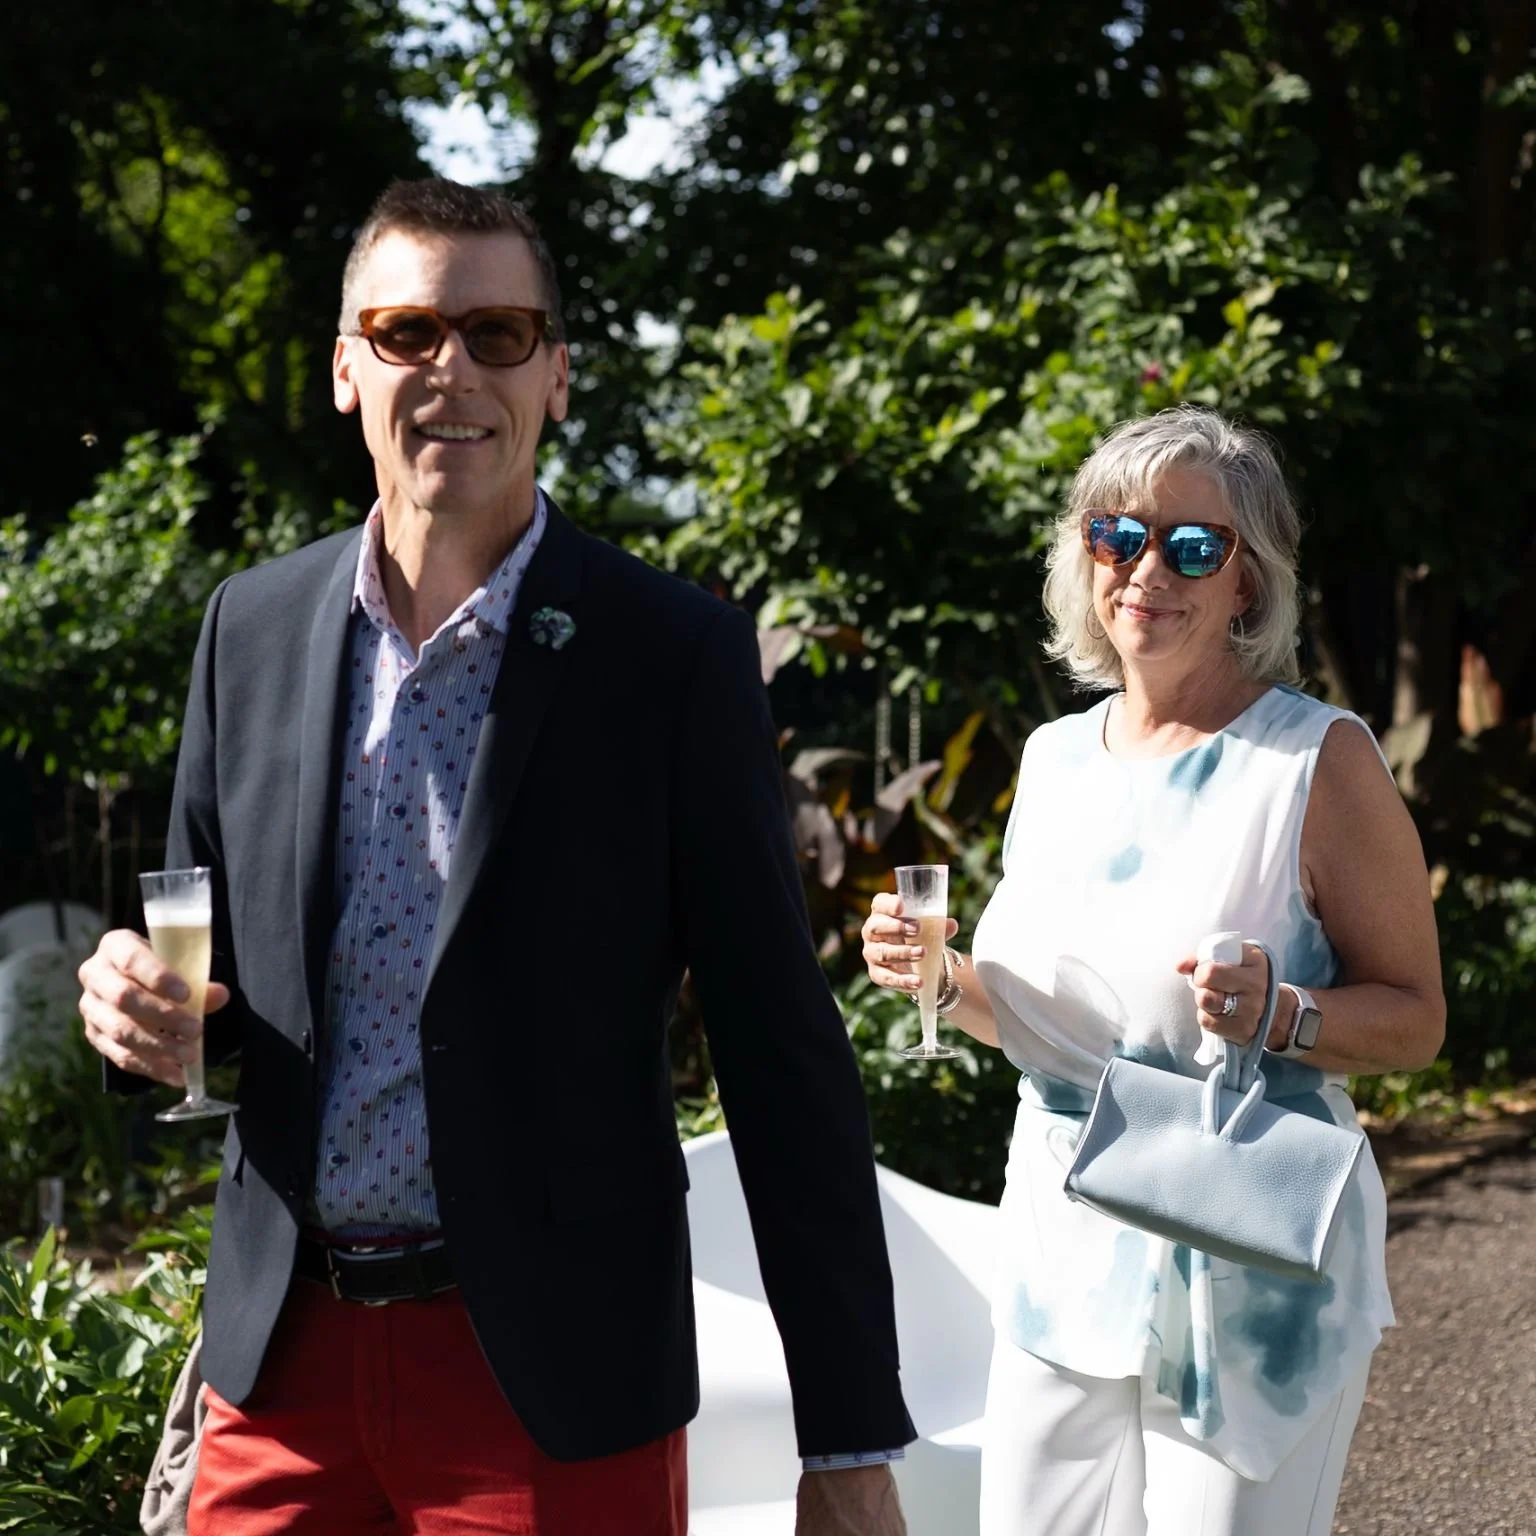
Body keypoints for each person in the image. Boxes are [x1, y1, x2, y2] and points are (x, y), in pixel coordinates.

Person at [78, 176, 913, 1536]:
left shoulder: (670, 656)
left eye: (500, 333)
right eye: (406, 331)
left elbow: (782, 1054)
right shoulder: (250, 627)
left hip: (550, 1381)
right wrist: (137, 1017)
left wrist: (849, 1439)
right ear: (346, 368)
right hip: (282, 1375)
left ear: (559, 377)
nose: (450, 367)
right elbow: (208, 999)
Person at [861, 406, 1445, 1536]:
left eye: (1192, 546)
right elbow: (1050, 1028)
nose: (1146, 571)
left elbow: (1415, 1021)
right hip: (1060, 1245)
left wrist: (1285, 1013)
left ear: (1248, 582)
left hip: (1247, 1265)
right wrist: (937, 980)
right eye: (1117, 535)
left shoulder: (1315, 759)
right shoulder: (1056, 756)